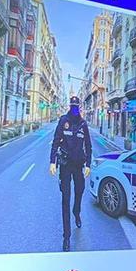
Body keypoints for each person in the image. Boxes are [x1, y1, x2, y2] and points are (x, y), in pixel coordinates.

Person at [50, 96, 94, 251]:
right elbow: (55, 141)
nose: (75, 108)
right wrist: (52, 162)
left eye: (77, 106)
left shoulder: (83, 124)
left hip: (79, 166)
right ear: (70, 106)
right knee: (65, 199)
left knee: (80, 191)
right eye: (73, 106)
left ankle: (77, 212)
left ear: (79, 107)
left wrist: (88, 164)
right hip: (66, 166)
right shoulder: (63, 121)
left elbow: (88, 145)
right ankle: (66, 236)